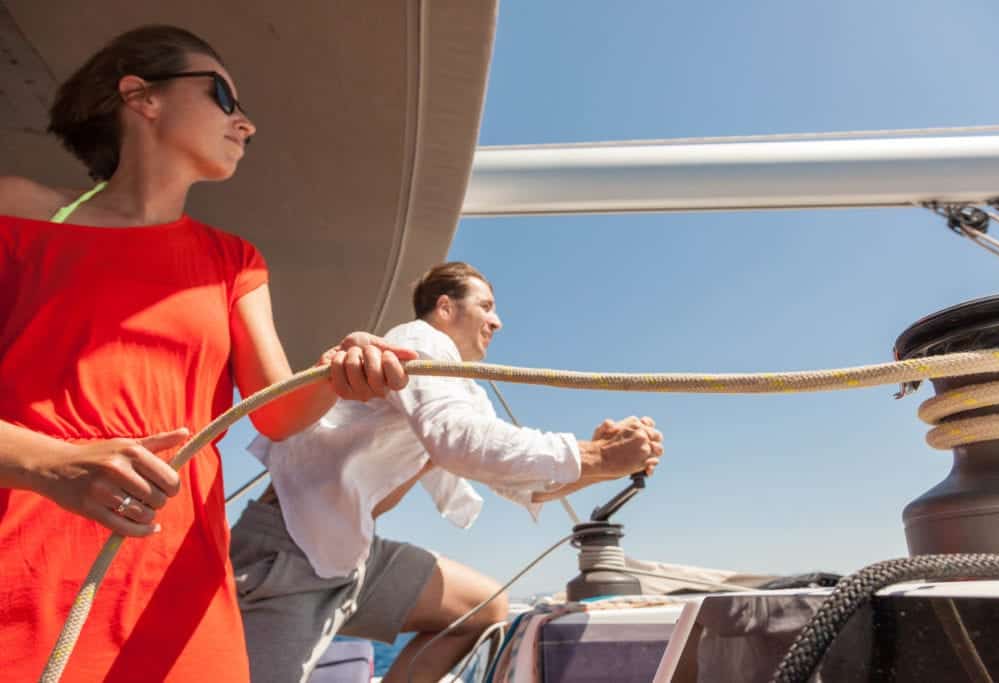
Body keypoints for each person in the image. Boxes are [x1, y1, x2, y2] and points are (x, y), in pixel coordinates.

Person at [0, 25, 414, 683]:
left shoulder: (234, 261)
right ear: (141, 96)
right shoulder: (17, 214)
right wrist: (54, 464)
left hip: (179, 595)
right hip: (24, 585)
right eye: (223, 95)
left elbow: (276, 412)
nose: (246, 123)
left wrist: (339, 372)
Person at [232, 261, 666, 683]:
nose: (497, 322)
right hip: (290, 546)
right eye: (486, 306)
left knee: (482, 609)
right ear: (444, 308)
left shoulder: (460, 390)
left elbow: (519, 485)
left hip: (348, 550)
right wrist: (597, 455)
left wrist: (606, 464)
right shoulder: (417, 342)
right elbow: (457, 441)